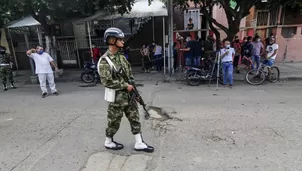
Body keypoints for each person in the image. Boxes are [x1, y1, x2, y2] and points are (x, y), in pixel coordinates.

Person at [97, 27, 154, 153]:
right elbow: (107, 81)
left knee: (135, 118)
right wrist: (125, 86)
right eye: (120, 40)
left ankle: (139, 143)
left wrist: (135, 92)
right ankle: (108, 141)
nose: (123, 42)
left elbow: (130, 77)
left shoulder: (122, 57)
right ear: (112, 40)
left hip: (129, 96)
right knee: (114, 121)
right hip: (116, 98)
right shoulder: (104, 61)